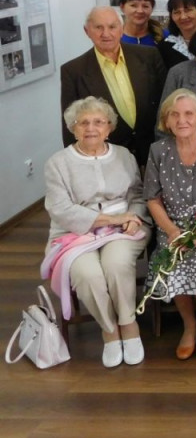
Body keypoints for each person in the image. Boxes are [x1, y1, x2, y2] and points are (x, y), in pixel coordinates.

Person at [42, 97, 151, 368]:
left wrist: (135, 217)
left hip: (124, 228)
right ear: (73, 128)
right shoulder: (57, 163)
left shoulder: (124, 155)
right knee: (87, 273)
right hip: (74, 233)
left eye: (98, 122)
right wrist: (108, 218)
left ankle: (128, 324)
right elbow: (61, 209)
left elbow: (138, 193)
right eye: (84, 122)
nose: (91, 128)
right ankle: (109, 330)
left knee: (115, 264)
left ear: (109, 127)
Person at [144, 89, 196, 361]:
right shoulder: (158, 150)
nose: (182, 120)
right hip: (172, 226)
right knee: (172, 258)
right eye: (175, 115)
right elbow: (152, 198)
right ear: (166, 121)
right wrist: (171, 231)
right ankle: (188, 325)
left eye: (188, 114)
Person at [60, 6, 166, 166]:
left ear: (121, 28)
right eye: (98, 27)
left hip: (155, 151)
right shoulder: (74, 71)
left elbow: (166, 103)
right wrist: (79, 163)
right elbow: (71, 124)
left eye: (112, 26)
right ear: (86, 31)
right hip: (108, 158)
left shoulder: (149, 56)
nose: (106, 34)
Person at [158, 0, 196, 70]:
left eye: (188, 10)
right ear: (171, 16)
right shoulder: (164, 47)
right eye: (177, 12)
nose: (183, 17)